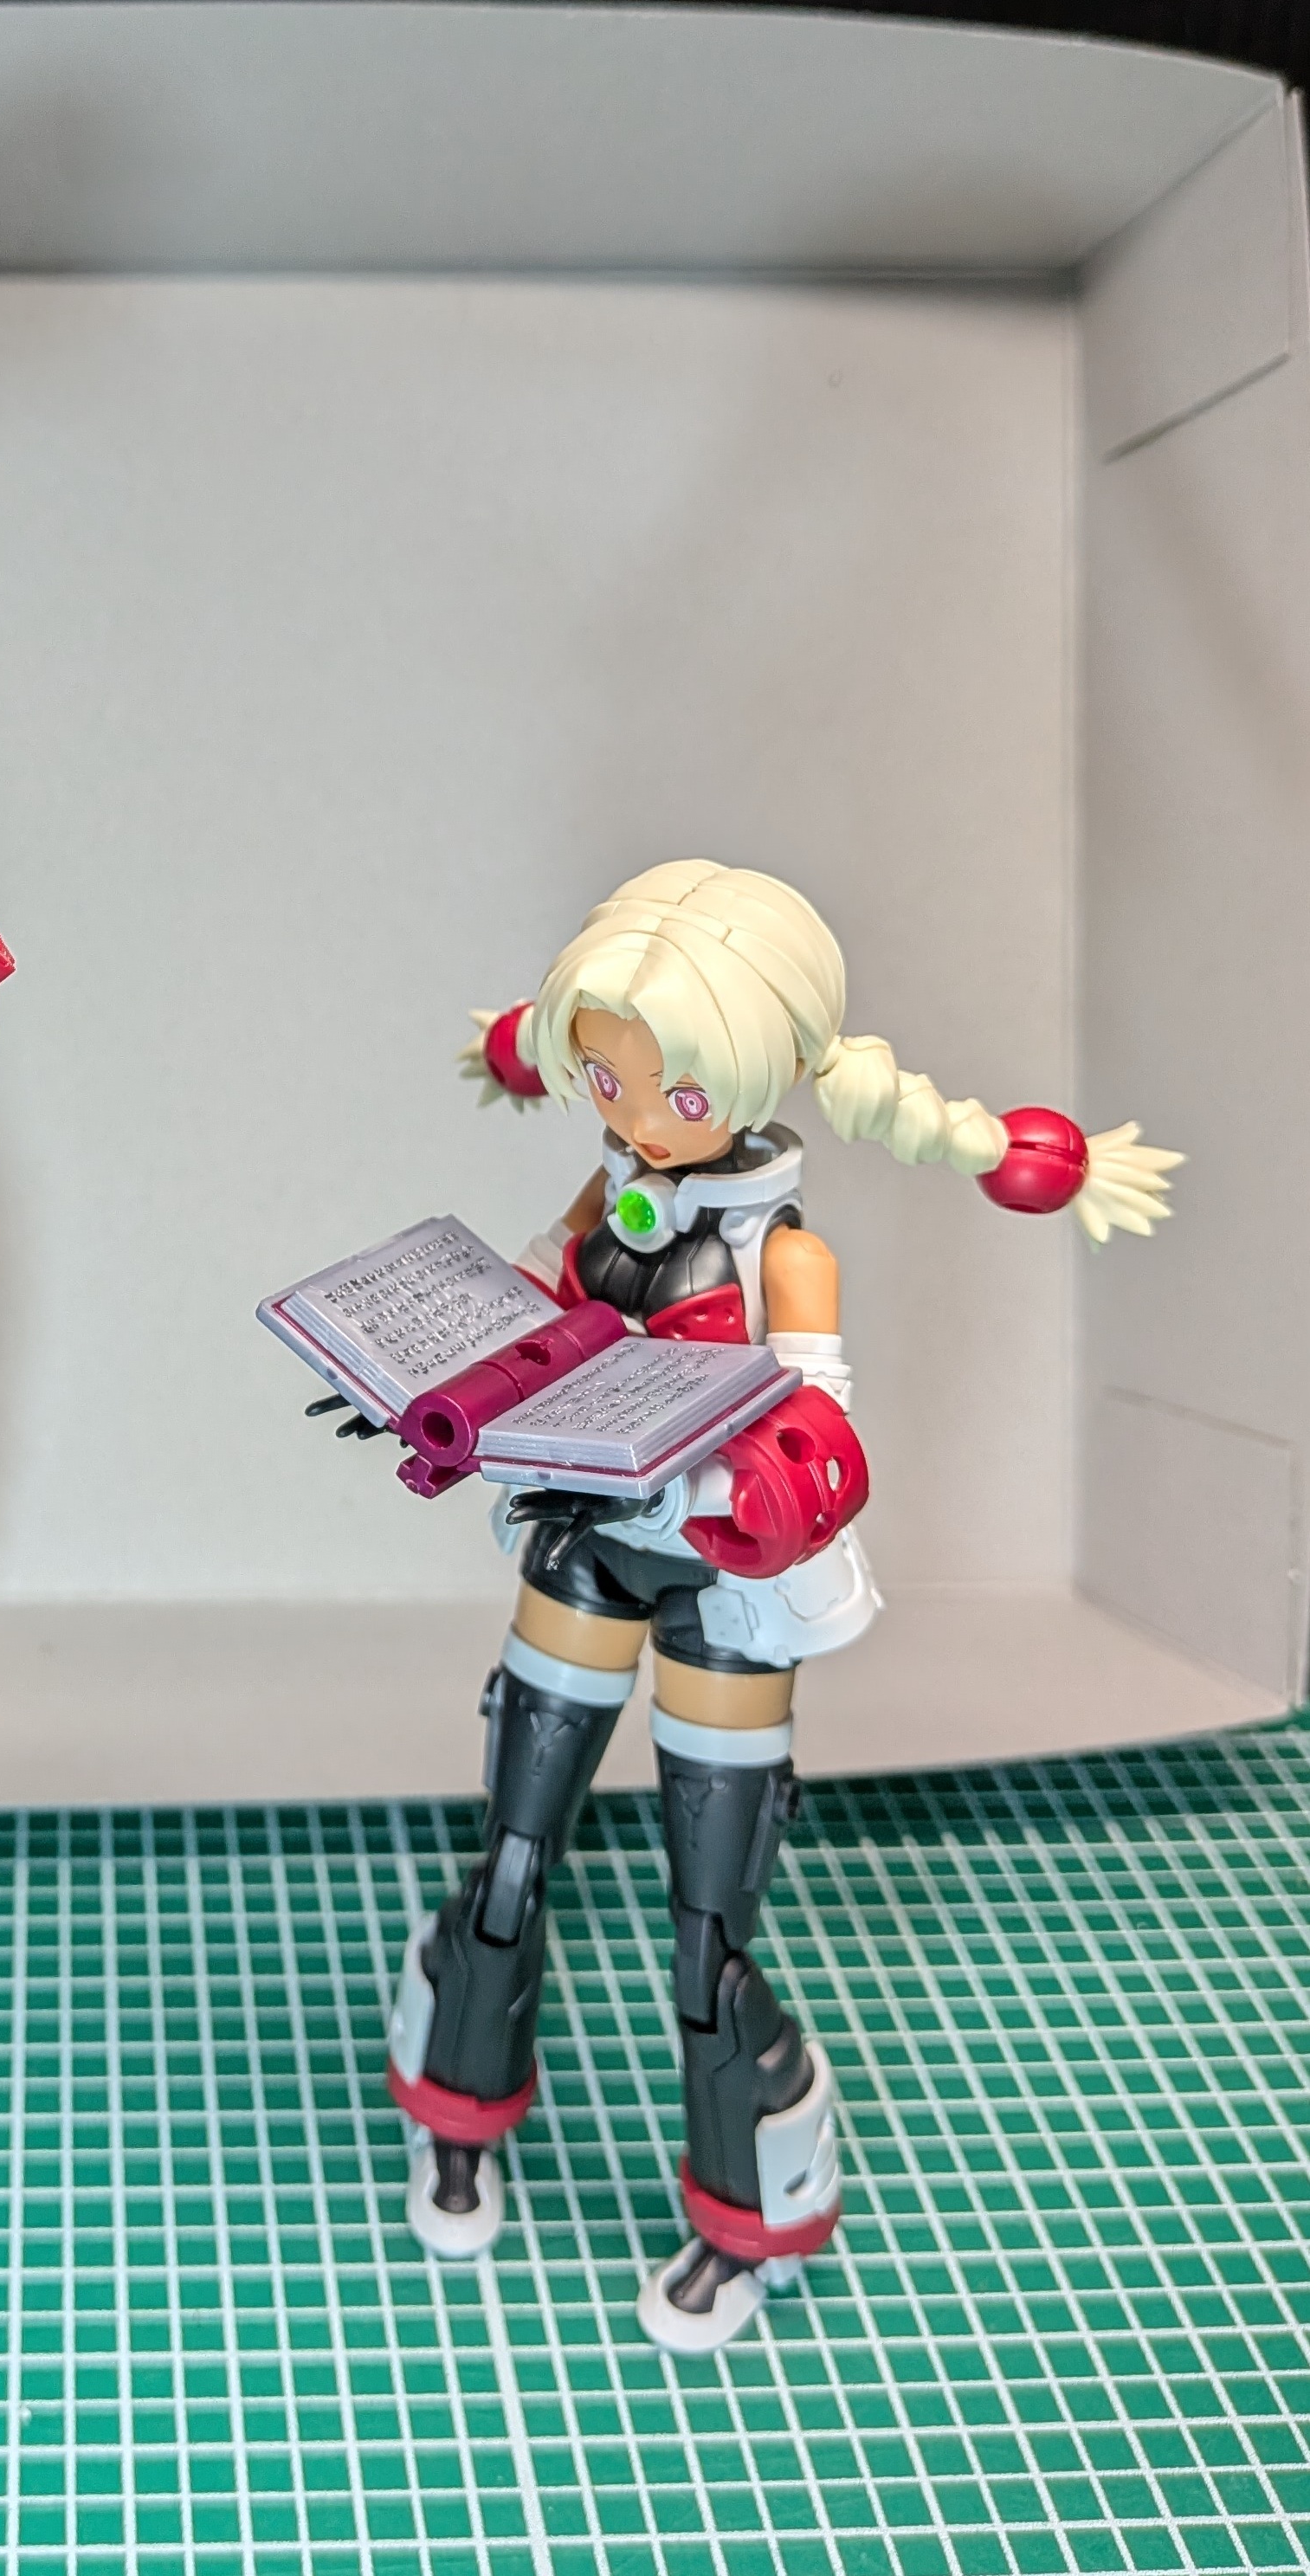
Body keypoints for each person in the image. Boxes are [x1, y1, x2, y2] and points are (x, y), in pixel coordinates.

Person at [384, 862, 1176, 2352]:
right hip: (585, 1544)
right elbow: (531, 1314)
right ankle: (458, 2114)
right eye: (605, 1080)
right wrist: (452, 1379)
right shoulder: (604, 1196)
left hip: (724, 1588)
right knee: (511, 1854)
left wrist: (733, 1485)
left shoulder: (785, 1255)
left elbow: (818, 1441)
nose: (632, 1118)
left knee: (711, 1932)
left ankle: (748, 2221)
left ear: (750, 1076)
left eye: (667, 1091)